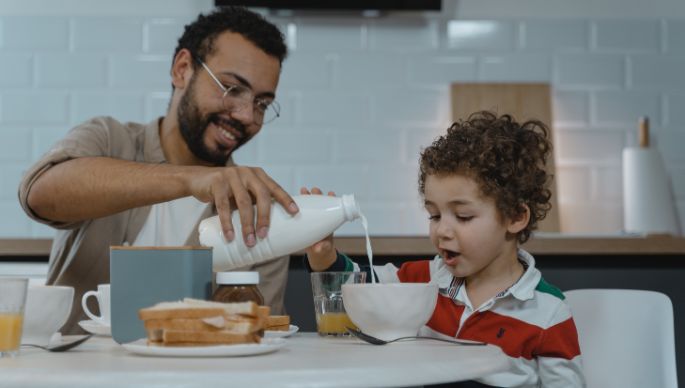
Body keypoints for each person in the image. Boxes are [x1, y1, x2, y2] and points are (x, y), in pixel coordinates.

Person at [18, 6, 299, 334]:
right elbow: (39, 195)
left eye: (262, 103)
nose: (247, 116)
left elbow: (261, 338)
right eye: (232, 89)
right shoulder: (109, 140)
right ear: (182, 69)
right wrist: (191, 177)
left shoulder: (256, 209)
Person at [305, 111, 586, 387]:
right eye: (434, 215)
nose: (442, 230)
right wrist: (324, 255)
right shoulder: (422, 280)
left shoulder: (548, 313)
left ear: (514, 217)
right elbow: (357, 284)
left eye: (463, 216)